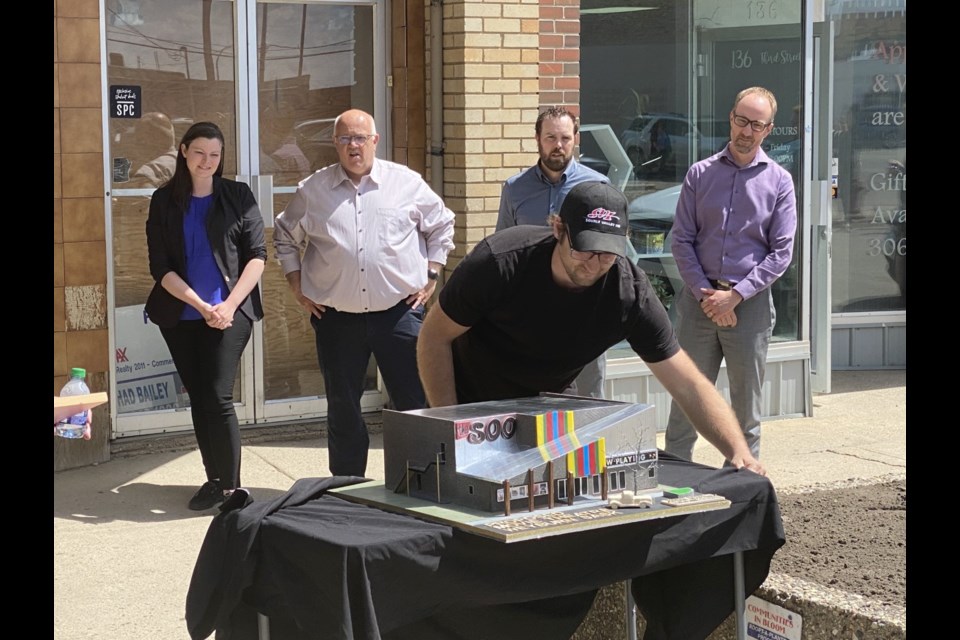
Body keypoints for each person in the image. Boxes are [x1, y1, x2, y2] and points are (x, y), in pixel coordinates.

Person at [418, 180, 766, 475]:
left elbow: (687, 383)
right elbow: (433, 337)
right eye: (585, 249)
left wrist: (739, 452)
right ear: (558, 229)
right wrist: (453, 426)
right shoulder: (500, 262)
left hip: (546, 405)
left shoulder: (628, 293)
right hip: (470, 399)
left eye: (607, 253)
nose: (595, 264)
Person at [274, 108, 456, 478]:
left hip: (399, 313)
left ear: (375, 140)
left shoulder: (405, 183)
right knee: (343, 408)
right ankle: (346, 489)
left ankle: (419, 483)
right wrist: (296, 284)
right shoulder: (313, 191)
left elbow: (442, 225)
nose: (353, 146)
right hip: (336, 318)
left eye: (360, 138)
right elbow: (284, 236)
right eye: (345, 139)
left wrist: (433, 272)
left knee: (413, 403)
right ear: (335, 144)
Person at [663, 87, 797, 463]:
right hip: (698, 308)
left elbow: (781, 252)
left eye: (756, 124)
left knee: (745, 413)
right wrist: (708, 295)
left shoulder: (780, 182)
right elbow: (682, 241)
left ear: (768, 130)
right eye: (742, 120)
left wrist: (735, 296)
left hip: (749, 310)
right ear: (730, 118)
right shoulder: (699, 175)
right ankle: (676, 490)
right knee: (686, 404)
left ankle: (740, 493)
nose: (746, 131)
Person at [145, 121, 267, 510]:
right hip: (182, 313)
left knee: (218, 394)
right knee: (200, 397)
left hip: (230, 313)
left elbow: (257, 257)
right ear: (183, 151)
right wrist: (199, 305)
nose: (207, 161)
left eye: (214, 155)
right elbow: (159, 266)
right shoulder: (164, 200)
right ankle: (214, 479)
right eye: (199, 153)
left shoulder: (238, 195)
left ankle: (233, 489)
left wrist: (228, 306)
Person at [496, 106, 612, 399]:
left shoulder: (597, 187)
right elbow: (504, 247)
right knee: (534, 396)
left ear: (575, 139)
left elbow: (608, 251)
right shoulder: (514, 189)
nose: (558, 145)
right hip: (532, 309)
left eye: (565, 138)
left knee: (588, 398)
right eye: (550, 138)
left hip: (584, 306)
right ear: (537, 138)